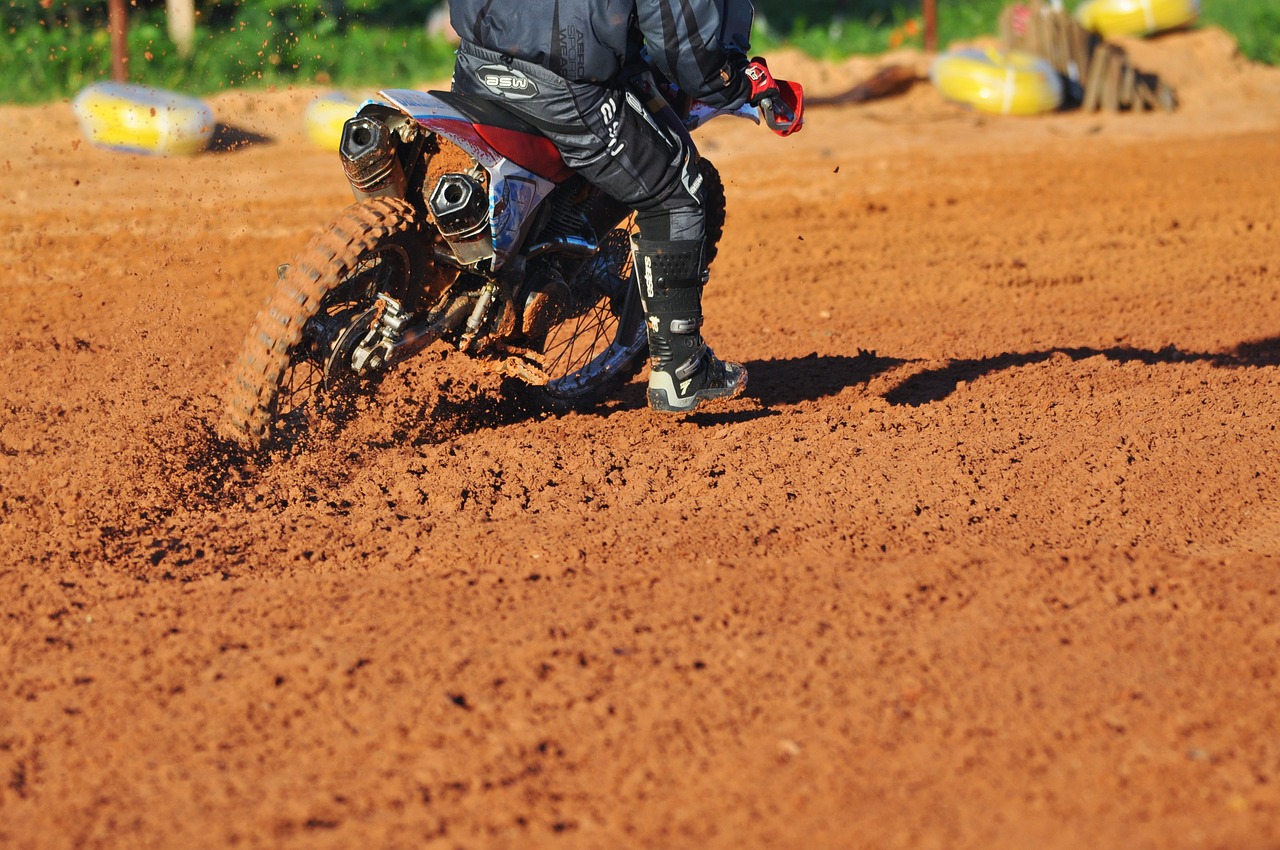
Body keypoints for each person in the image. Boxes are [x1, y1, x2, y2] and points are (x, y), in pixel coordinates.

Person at [448, 0, 803, 412]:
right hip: (564, 83)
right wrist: (739, 82)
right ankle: (681, 372)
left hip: (477, 60)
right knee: (678, 190)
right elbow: (688, 54)